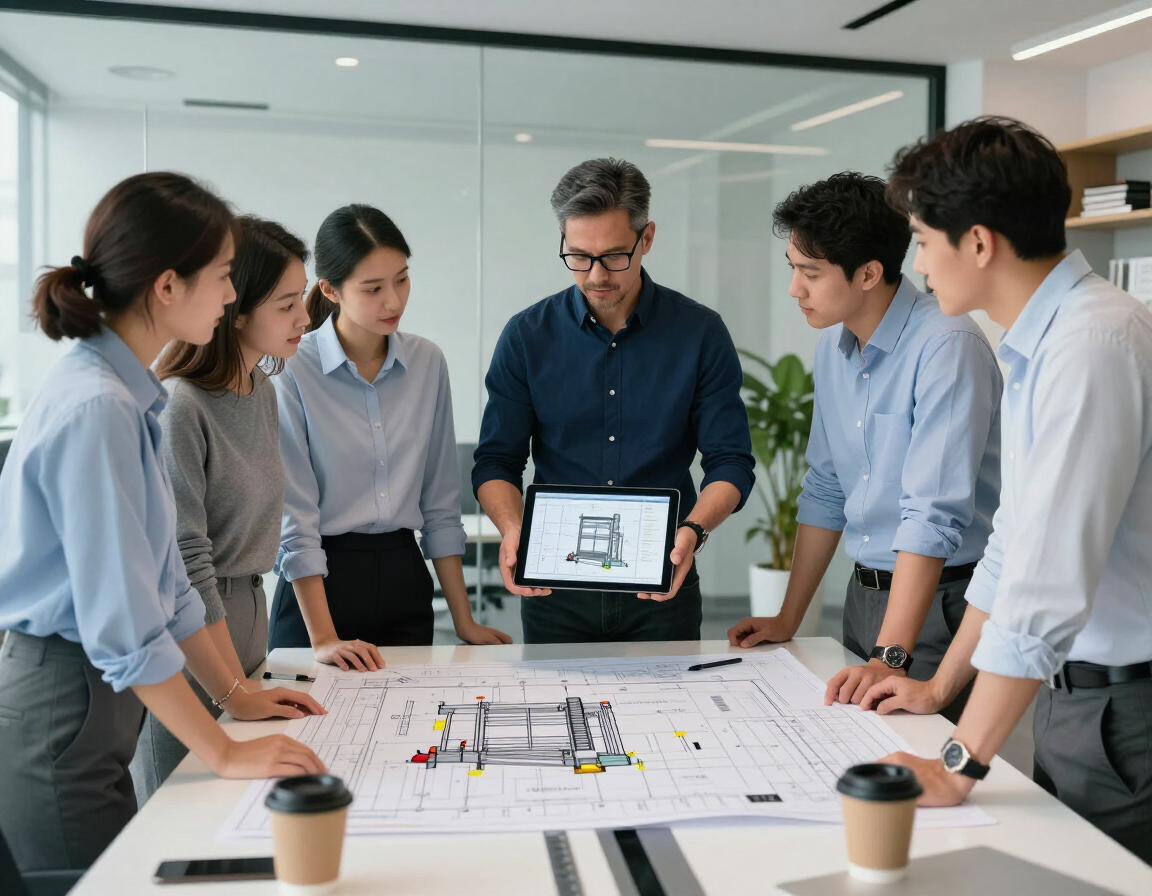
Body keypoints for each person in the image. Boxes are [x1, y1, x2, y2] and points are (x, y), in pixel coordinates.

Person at [0, 173, 325, 875]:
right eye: (225, 275)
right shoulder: (101, 407)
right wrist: (223, 749)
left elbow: (171, 585)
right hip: (64, 698)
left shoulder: (128, 395)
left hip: (98, 698)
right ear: (169, 286)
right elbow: (126, 626)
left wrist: (236, 699)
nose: (232, 295)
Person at [862, 118, 1152, 864]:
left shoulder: (1092, 345)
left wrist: (958, 764)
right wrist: (938, 688)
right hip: (1074, 699)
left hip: (1127, 709)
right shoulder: (1040, 344)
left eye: (923, 240)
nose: (919, 265)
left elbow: (1046, 581)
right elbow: (1012, 549)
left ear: (979, 243)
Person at [726, 173, 1002, 722]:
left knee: (916, 765)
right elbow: (826, 487)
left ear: (869, 273)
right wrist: (788, 617)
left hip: (939, 604)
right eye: (792, 269)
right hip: (863, 598)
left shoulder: (947, 345)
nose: (795, 289)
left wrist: (890, 655)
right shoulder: (834, 343)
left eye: (810, 273)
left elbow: (932, 516)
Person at [473, 157, 755, 643]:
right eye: (579, 256)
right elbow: (496, 461)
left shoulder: (700, 333)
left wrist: (694, 530)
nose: (596, 275)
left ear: (647, 238)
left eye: (614, 256)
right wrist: (513, 527)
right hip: (554, 593)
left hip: (663, 588)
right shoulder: (526, 336)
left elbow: (730, 462)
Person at [267, 204, 510, 667]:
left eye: (402, 280)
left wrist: (464, 621)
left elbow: (440, 503)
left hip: (405, 581)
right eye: (373, 288)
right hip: (318, 591)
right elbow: (295, 514)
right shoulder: (292, 366)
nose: (394, 302)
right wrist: (324, 638)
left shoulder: (427, 362)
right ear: (330, 290)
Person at [129, 216, 313, 802]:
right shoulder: (181, 404)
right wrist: (232, 686)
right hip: (197, 631)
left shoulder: (262, 390)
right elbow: (186, 557)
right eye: (287, 305)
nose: (305, 319)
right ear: (235, 310)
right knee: (184, 807)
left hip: (251, 612)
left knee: (243, 804)